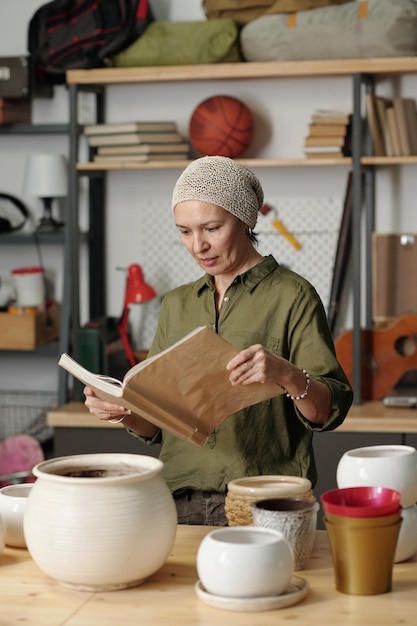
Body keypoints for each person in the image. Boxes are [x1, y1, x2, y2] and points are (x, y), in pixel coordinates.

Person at [84, 155, 353, 525]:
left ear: (243, 219)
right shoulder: (176, 304)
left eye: (211, 228)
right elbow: (159, 427)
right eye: (184, 231)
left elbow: (327, 412)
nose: (198, 246)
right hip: (177, 499)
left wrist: (286, 375)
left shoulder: (293, 296)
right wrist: (125, 413)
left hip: (264, 500)